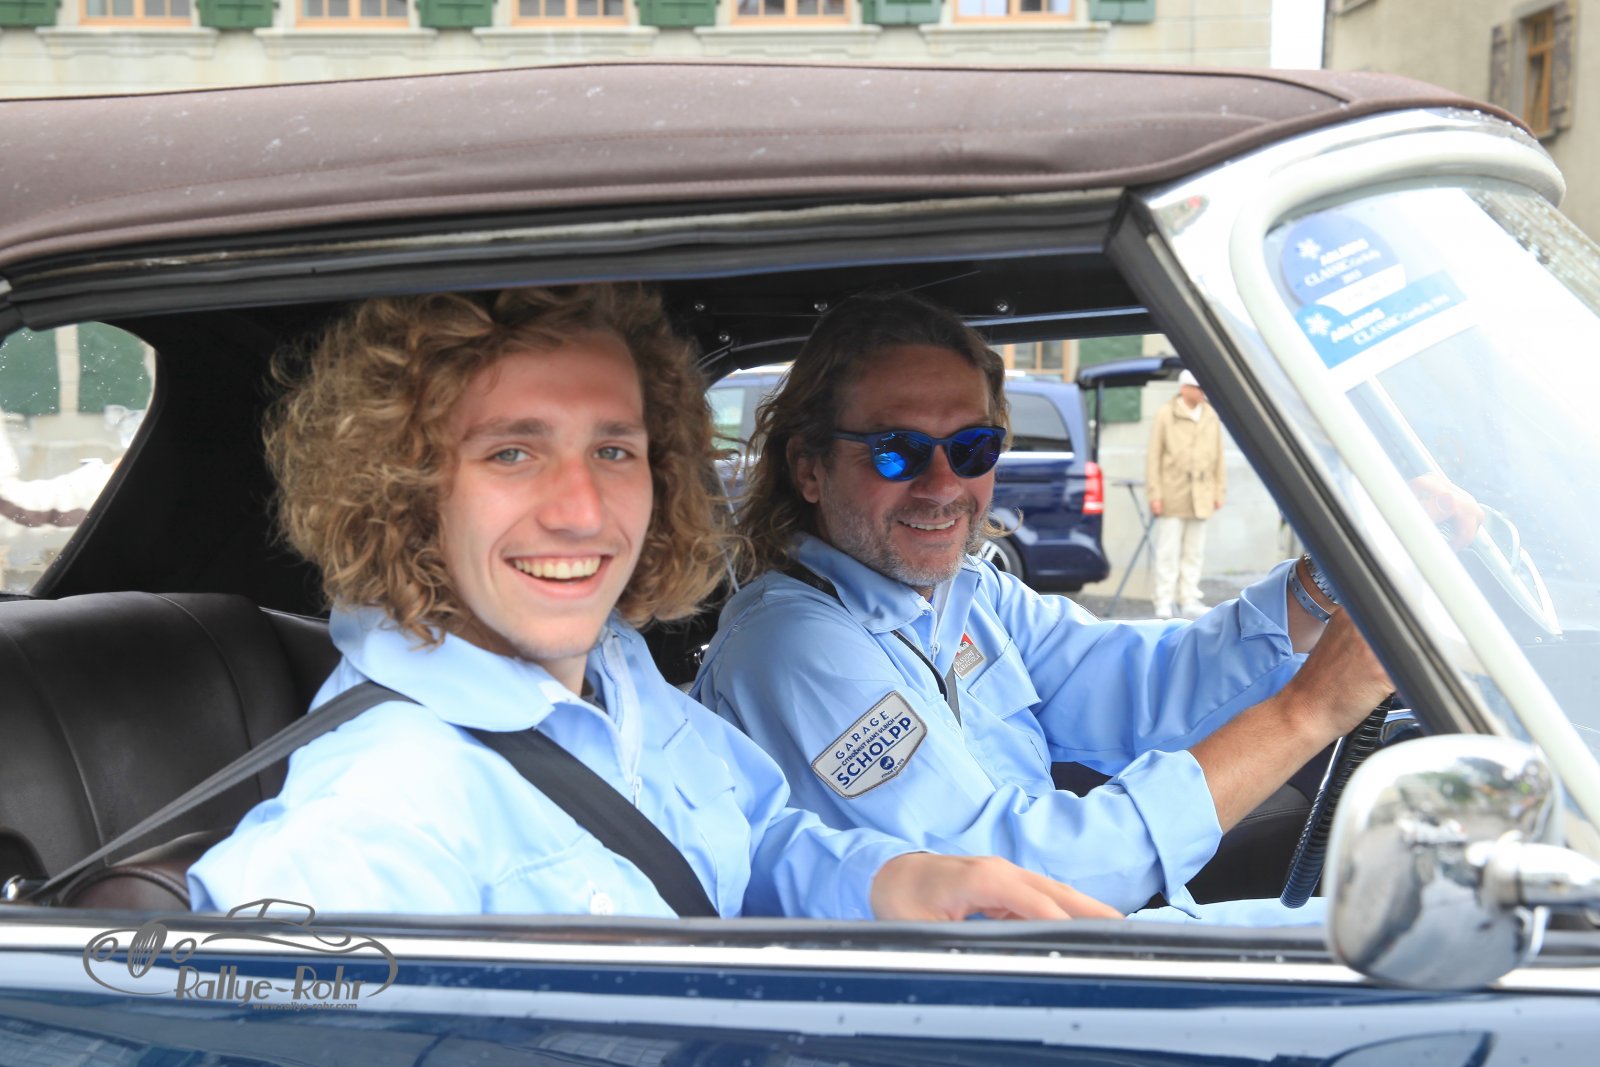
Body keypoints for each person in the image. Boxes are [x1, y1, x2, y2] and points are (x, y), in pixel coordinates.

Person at [186, 284, 1117, 923]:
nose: (581, 509)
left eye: (613, 450)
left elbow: (751, 834)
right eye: (512, 452)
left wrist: (901, 880)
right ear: (407, 488)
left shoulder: (617, 672)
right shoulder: (376, 817)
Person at [692, 291, 1395, 918]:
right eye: (896, 451)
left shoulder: (968, 594)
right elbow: (1014, 881)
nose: (943, 484)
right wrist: (1307, 713)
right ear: (809, 469)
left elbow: (1142, 683)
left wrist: (1323, 585)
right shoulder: (792, 646)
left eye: (972, 447)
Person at [1145, 369, 1226, 620]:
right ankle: (1164, 600)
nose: (1202, 392)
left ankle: (1189, 597)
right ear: (1184, 388)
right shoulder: (1165, 414)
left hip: (1202, 493)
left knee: (1194, 550)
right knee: (1167, 550)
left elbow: (1219, 456)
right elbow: (1154, 456)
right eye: (1197, 387)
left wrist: (1219, 490)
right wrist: (1155, 494)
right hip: (1172, 491)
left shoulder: (1210, 415)